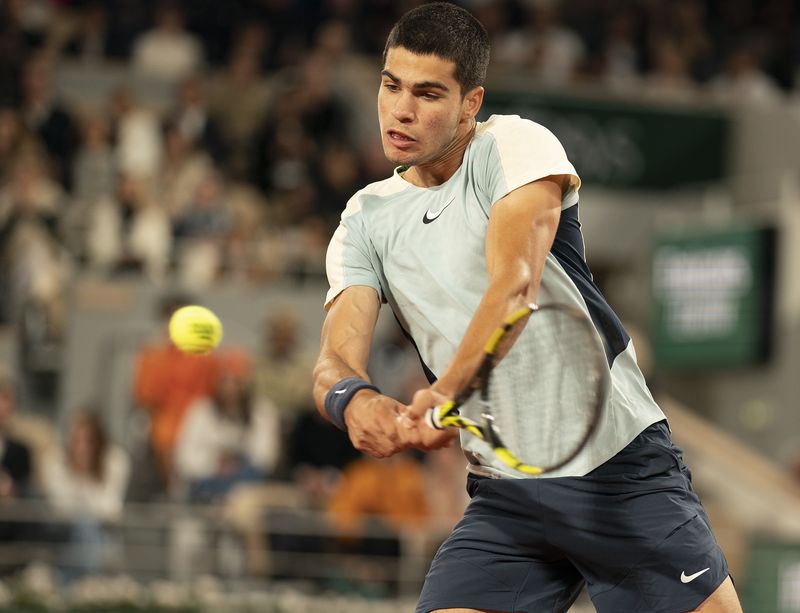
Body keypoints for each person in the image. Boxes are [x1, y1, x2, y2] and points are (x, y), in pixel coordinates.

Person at [311, 4, 743, 613]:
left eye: (428, 93)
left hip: (616, 472)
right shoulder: (364, 219)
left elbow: (513, 288)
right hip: (506, 495)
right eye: (391, 86)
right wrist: (352, 399)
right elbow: (333, 357)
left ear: (471, 103)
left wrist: (445, 394)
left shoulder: (516, 146)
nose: (401, 110)